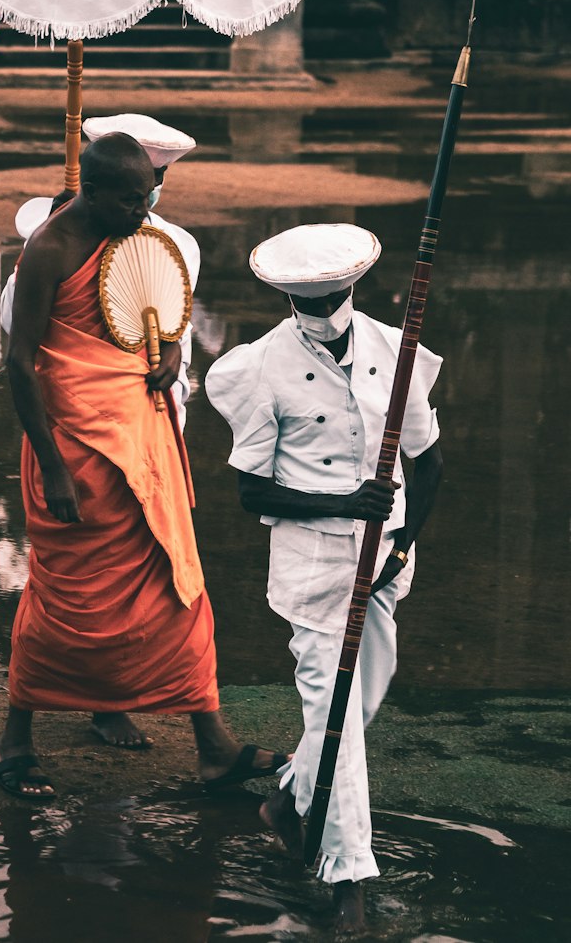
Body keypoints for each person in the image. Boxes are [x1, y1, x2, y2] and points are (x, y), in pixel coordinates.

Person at [0, 133, 287, 798]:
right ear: (90, 193)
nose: (141, 209)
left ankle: (213, 746)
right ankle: (14, 738)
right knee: (64, 598)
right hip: (71, 450)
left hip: (142, 444)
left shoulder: (137, 236)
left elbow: (161, 307)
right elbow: (17, 361)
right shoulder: (49, 248)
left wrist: (176, 350)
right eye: (128, 199)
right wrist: (53, 466)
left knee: (178, 585)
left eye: (146, 196)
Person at [204, 224, 444, 936]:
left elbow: (428, 462)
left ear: (352, 285)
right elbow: (251, 491)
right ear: (286, 297)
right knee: (333, 716)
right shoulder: (260, 366)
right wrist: (343, 504)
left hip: (386, 560)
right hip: (312, 566)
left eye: (332, 294)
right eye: (307, 298)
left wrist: (403, 542)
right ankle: (348, 882)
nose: (323, 308)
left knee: (357, 704)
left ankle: (285, 800)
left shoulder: (393, 349)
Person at [0, 113, 200, 432]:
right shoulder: (55, 241)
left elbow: (176, 337)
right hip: (72, 415)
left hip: (148, 420)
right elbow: (15, 325)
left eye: (155, 176)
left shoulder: (175, 249)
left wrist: (166, 420)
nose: (147, 190)